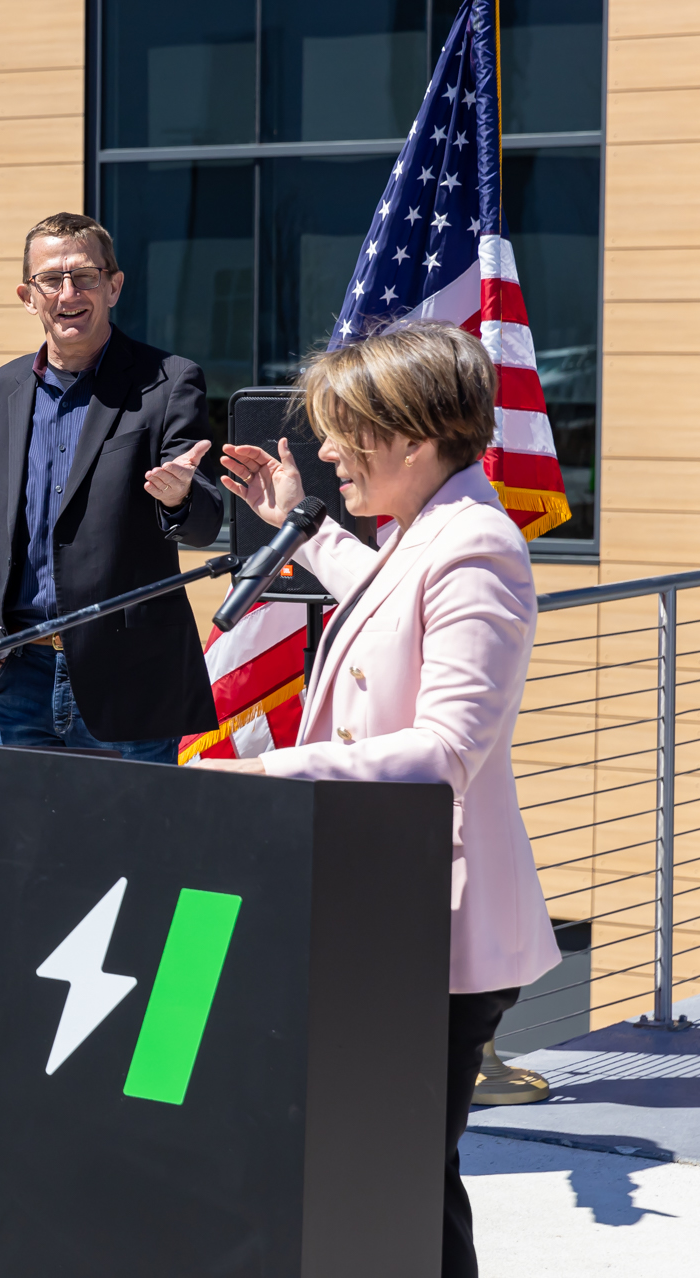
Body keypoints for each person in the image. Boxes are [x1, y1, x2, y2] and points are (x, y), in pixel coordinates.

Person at [205, 321, 560, 1278]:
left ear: (407, 435)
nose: (324, 453)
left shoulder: (476, 544)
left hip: (436, 937)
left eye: (341, 432)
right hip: (393, 917)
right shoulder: (430, 532)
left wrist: (267, 772)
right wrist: (305, 525)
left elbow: (446, 749)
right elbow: (383, 600)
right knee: (400, 1180)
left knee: (398, 1182)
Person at [0, 212, 223, 759]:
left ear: (114, 286)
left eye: (85, 276)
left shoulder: (169, 382)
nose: (68, 293)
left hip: (131, 682)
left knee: (132, 846)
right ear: (29, 296)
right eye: (51, 279)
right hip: (19, 678)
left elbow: (207, 519)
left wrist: (178, 498)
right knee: (23, 848)